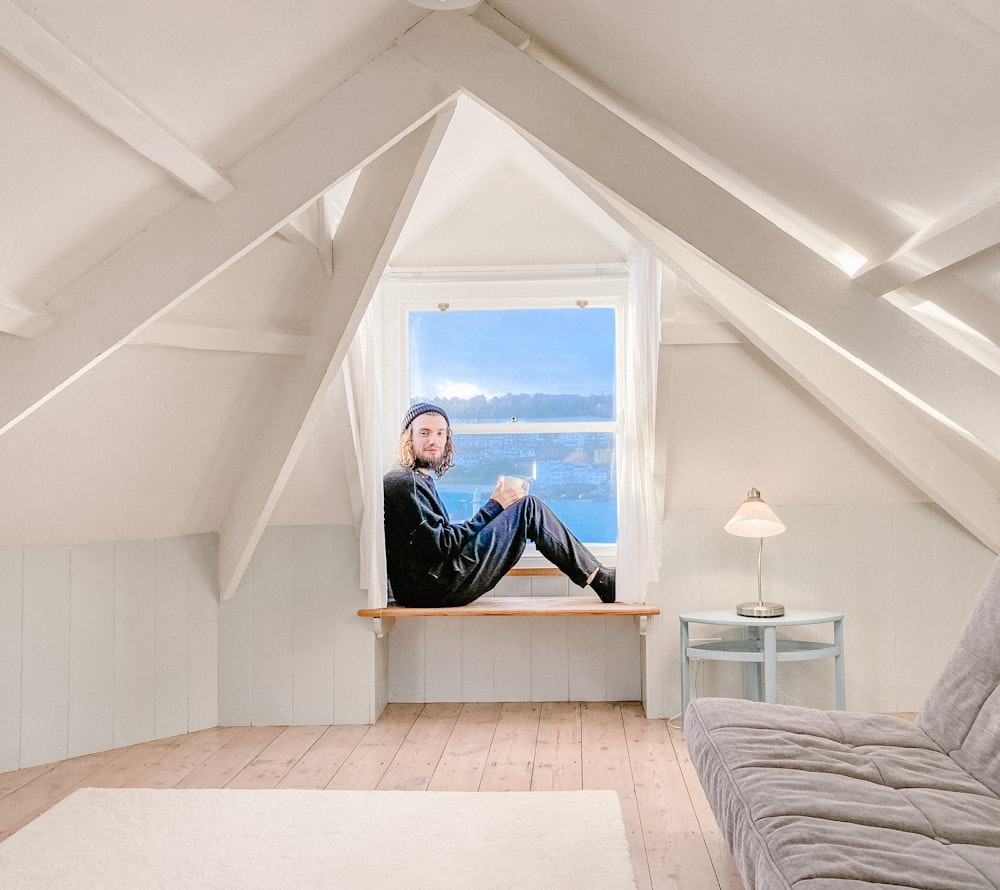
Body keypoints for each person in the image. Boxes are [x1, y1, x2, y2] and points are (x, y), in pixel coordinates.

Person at [383, 402, 616, 608]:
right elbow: (442, 545)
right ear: (408, 437)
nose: (433, 441)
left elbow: (434, 540)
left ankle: (599, 575)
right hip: (433, 587)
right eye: (424, 433)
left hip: (430, 584)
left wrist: (499, 508)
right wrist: (495, 506)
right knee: (528, 509)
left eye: (440, 433)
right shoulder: (404, 483)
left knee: (523, 508)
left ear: (447, 439)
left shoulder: (415, 479)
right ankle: (601, 579)